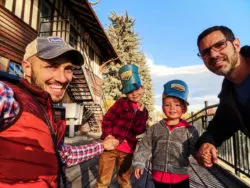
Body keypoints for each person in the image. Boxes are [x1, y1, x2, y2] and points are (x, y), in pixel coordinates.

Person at [0, 36, 119, 188]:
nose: (63, 78)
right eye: (51, 66)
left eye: (67, 68)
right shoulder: (10, 97)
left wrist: (102, 145)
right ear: (27, 68)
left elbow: (64, 155)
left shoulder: (46, 112)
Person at [195, 25, 250, 167]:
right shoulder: (230, 96)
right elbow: (217, 129)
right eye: (205, 52)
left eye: (219, 45)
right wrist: (206, 144)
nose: (213, 55)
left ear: (236, 44)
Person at [133, 80, 199, 188]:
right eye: (167, 104)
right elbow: (145, 147)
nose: (172, 108)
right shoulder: (155, 128)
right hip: (158, 177)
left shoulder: (190, 130)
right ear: (162, 107)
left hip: (180, 177)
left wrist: (203, 155)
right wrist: (139, 163)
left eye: (177, 105)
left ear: (184, 108)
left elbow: (196, 149)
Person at [95, 64, 149, 188]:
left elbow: (139, 130)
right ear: (125, 92)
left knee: (124, 179)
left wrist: (140, 114)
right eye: (130, 91)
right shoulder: (121, 103)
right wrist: (108, 135)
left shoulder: (144, 111)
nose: (134, 94)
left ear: (142, 88)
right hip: (110, 147)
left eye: (136, 89)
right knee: (103, 180)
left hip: (127, 151)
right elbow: (107, 119)